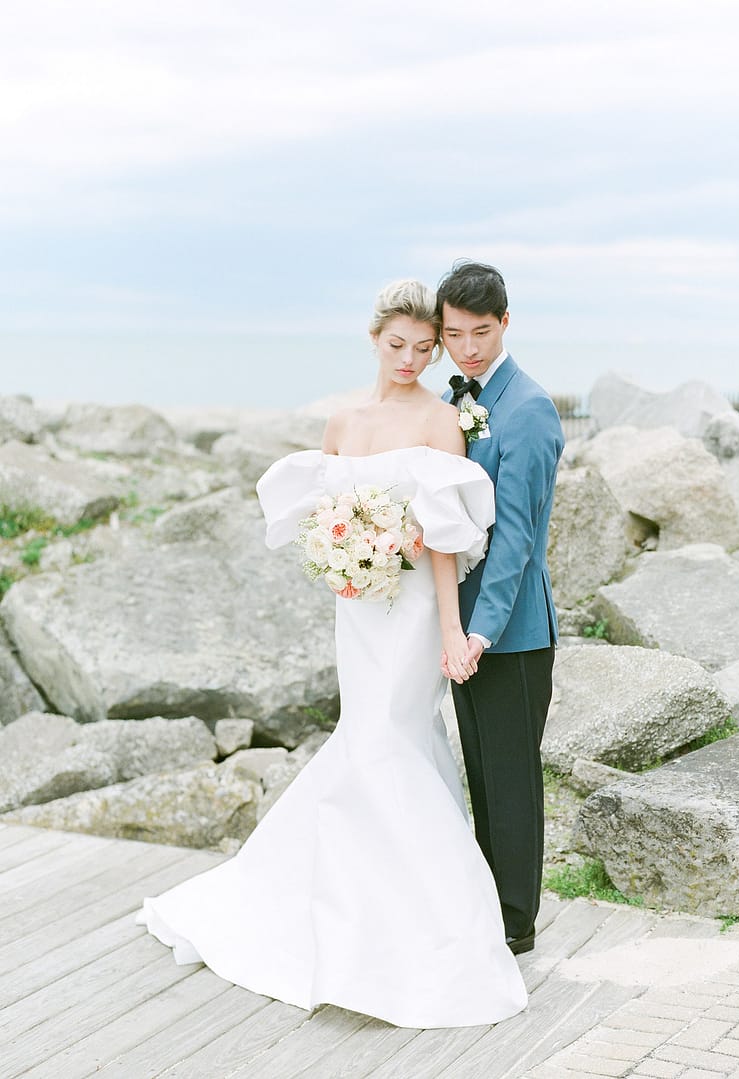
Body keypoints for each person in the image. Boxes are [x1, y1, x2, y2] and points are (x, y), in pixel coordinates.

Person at [135, 279, 529, 1029]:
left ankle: (415, 927)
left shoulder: (445, 422)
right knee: (369, 741)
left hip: (411, 613)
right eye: (397, 345)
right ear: (374, 338)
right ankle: (353, 907)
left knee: (389, 740)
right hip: (359, 609)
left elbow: (444, 541)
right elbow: (325, 515)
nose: (411, 358)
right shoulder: (344, 420)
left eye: (425, 347)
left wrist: (450, 628)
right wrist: (342, 554)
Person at [437, 260, 564, 957]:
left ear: (505, 323)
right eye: (454, 334)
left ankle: (517, 920)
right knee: (480, 771)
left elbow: (517, 537)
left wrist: (480, 630)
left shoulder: (530, 408)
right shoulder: (461, 398)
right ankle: (489, 900)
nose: (468, 348)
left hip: (510, 633)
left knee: (512, 775)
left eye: (480, 332)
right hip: (462, 629)